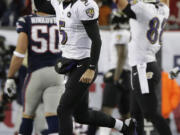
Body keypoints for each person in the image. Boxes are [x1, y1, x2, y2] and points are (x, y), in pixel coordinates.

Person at [51, 0, 136, 135]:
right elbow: (40, 5)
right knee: (82, 116)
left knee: (64, 109)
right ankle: (124, 127)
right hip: (71, 64)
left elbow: (96, 40)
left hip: (84, 65)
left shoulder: (83, 6)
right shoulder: (58, 3)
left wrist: (91, 68)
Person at [3, 0, 64, 134]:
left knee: (27, 116)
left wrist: (10, 77)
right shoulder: (63, 20)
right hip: (57, 74)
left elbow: (19, 54)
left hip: (35, 73)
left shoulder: (27, 21)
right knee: (53, 118)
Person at [117, 0, 172, 135]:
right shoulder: (163, 9)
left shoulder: (143, 8)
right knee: (135, 114)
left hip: (143, 68)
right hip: (146, 66)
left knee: (150, 113)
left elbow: (120, 3)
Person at [99, 12, 131, 135]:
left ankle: (104, 133)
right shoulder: (128, 34)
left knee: (106, 110)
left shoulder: (120, 34)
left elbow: (121, 55)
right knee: (126, 113)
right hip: (127, 75)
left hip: (118, 73)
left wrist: (116, 77)